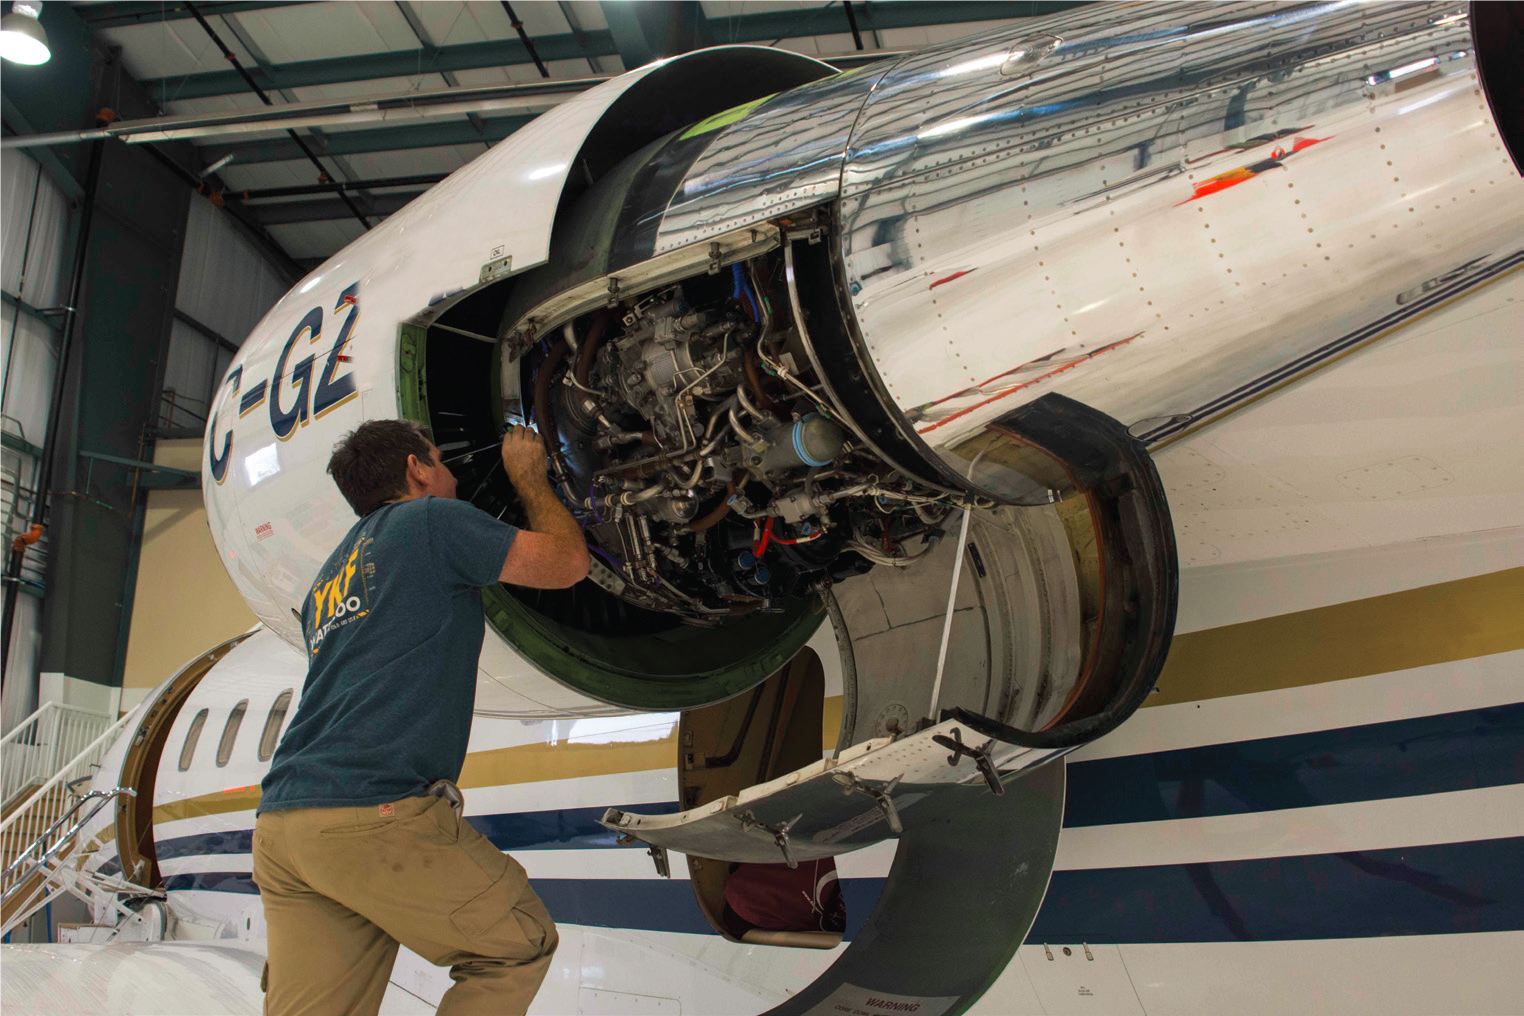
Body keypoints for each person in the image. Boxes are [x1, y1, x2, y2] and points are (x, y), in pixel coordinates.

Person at [252, 419, 588, 1016]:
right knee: (516, 946)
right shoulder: (430, 521)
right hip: (368, 811)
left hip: (285, 827)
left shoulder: (330, 576)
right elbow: (565, 564)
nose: (454, 475)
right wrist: (530, 480)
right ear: (416, 468)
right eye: (442, 461)